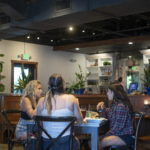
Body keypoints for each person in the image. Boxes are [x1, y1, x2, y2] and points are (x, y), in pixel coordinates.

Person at [37, 74, 83, 150]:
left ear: (49, 85)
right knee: (77, 142)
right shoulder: (71, 99)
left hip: (46, 144)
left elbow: (40, 124)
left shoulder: (41, 101)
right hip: (66, 144)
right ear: (63, 85)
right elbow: (80, 121)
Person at [97, 82, 134, 149]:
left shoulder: (121, 107)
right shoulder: (115, 105)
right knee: (94, 141)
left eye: (108, 91)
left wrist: (105, 135)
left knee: (100, 142)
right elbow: (106, 116)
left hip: (125, 136)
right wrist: (102, 108)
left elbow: (117, 128)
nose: (107, 94)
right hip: (118, 134)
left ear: (114, 93)